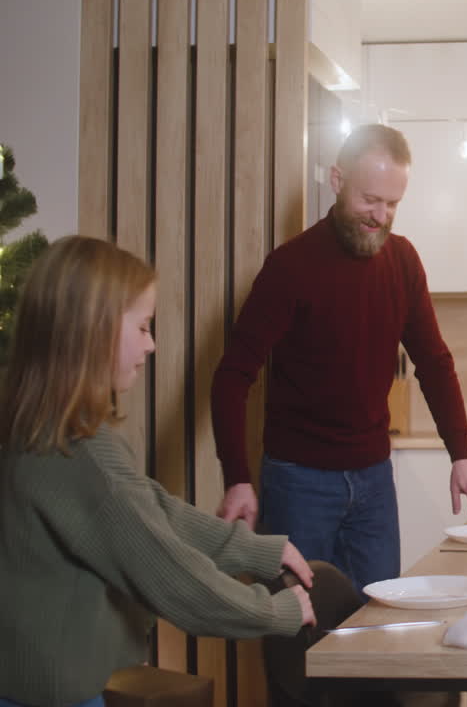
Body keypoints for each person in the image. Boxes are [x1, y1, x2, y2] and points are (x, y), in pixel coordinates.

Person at [0, 236, 315, 707]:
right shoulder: (79, 454)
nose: (151, 345)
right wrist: (276, 611)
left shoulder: (33, 427)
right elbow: (171, 576)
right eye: (144, 327)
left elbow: (153, 509)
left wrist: (258, 552)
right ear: (95, 329)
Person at [212, 124, 467, 595]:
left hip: (373, 482)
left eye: (393, 204)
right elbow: (232, 377)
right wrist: (237, 479)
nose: (381, 216)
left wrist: (462, 455)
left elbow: (434, 363)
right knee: (295, 637)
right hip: (297, 483)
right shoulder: (289, 267)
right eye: (371, 199)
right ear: (337, 180)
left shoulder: (403, 262)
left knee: (375, 626)